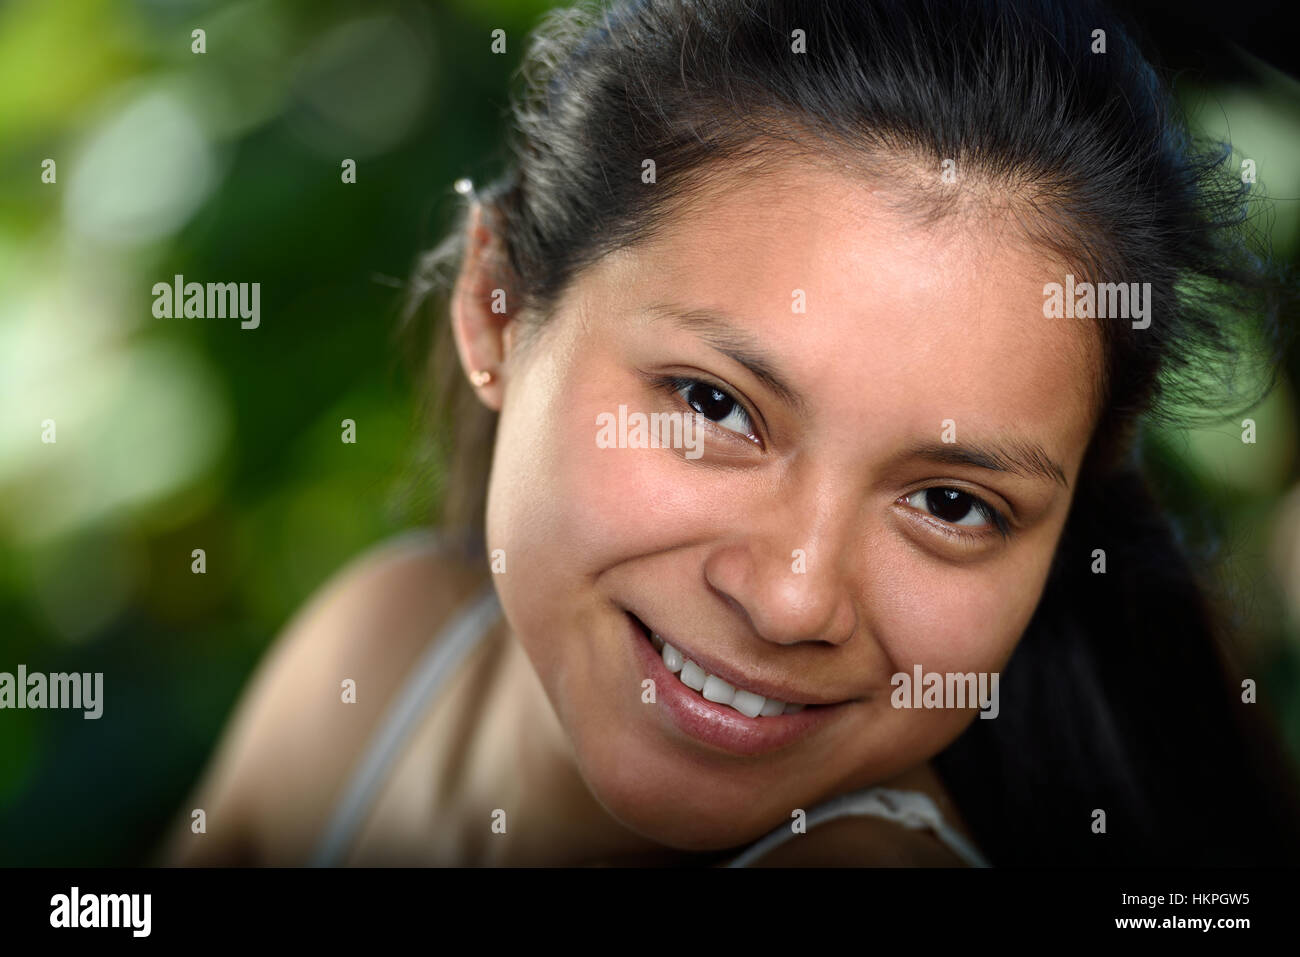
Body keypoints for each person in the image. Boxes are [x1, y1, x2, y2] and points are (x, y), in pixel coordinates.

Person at [163, 0, 1300, 866]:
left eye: (953, 503)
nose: (794, 599)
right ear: (498, 307)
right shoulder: (381, 650)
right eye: (715, 406)